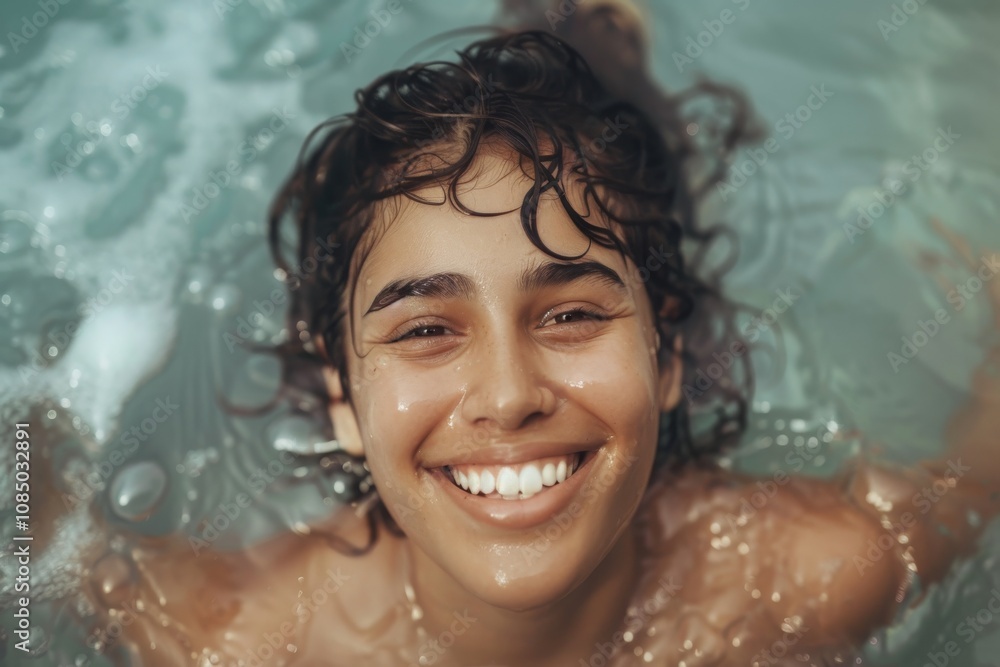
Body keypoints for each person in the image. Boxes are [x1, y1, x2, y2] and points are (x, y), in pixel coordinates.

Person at [100, 29, 997, 667]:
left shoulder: (795, 579)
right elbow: (48, 545)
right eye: (424, 329)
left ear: (669, 354)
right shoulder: (246, 640)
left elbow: (970, 488)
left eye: (570, 316)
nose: (508, 392)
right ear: (341, 393)